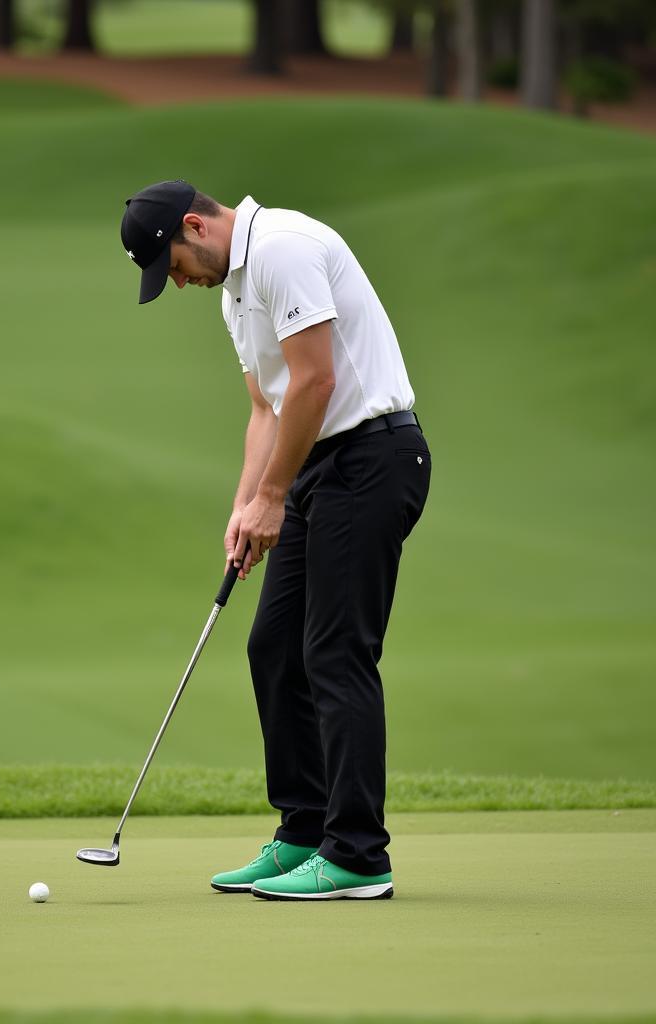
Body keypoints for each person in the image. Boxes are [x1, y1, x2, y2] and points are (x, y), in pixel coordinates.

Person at [120, 180, 431, 901]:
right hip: (316, 467)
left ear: (194, 227)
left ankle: (358, 855)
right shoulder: (234, 290)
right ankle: (303, 833)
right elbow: (268, 406)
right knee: (273, 646)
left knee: (335, 651)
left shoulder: (283, 250)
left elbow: (318, 382)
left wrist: (272, 494)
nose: (178, 281)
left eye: (170, 266)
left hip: (373, 459)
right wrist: (245, 503)